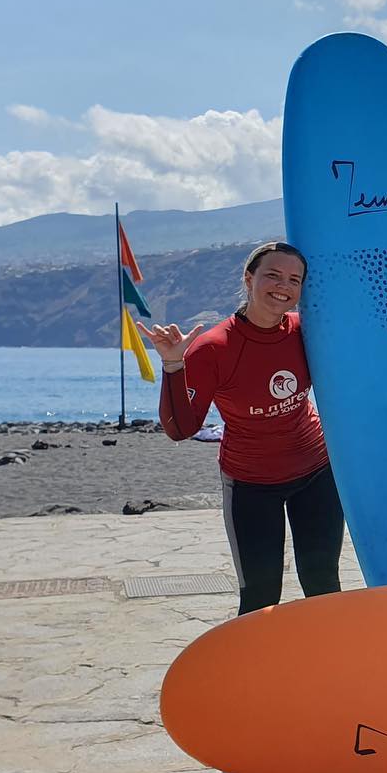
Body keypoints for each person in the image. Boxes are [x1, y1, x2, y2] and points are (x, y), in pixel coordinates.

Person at [138, 242, 344, 616]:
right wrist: (172, 365)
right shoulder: (214, 348)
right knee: (261, 595)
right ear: (249, 279)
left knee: (323, 583)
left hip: (316, 472)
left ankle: (331, 669)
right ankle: (257, 674)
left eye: (294, 279)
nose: (283, 286)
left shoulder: (307, 331)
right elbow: (180, 429)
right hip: (251, 483)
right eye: (273, 275)